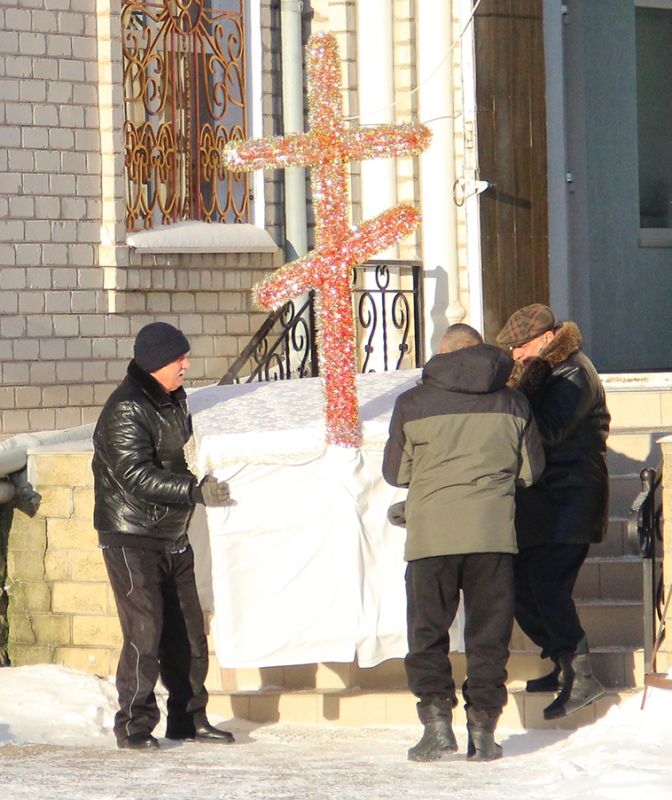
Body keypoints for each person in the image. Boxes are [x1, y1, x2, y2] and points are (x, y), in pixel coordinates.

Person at [382, 323, 545, 762]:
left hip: (431, 535)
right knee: (488, 637)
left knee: (427, 633)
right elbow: (532, 471)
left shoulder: (412, 403)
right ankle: (484, 732)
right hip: (492, 535)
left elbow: (395, 473)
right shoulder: (513, 401)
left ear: (444, 352)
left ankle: (437, 727)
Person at [92, 322, 235, 750]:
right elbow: (136, 475)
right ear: (156, 362)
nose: (186, 365)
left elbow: (179, 457)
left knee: (189, 634)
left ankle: (188, 719)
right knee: (145, 631)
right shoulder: (126, 408)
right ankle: (134, 726)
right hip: (131, 536)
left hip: (172, 532)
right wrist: (193, 491)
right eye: (178, 359)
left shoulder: (173, 400)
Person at [496, 304, 610, 720]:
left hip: (570, 498)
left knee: (546, 585)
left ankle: (582, 675)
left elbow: (548, 432)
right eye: (512, 348)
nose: (516, 354)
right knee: (519, 585)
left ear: (547, 339)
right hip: (544, 501)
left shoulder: (572, 373)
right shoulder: (544, 372)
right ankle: (563, 661)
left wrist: (508, 414)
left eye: (521, 346)